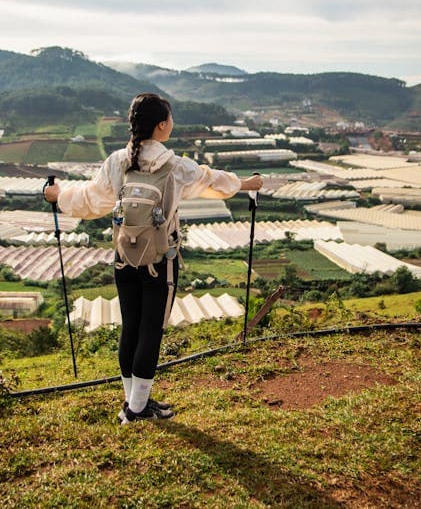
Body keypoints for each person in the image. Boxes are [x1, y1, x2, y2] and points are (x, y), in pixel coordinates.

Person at [44, 93, 263, 424]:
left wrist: (58, 195)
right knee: (151, 331)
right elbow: (213, 181)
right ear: (162, 126)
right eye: (171, 119)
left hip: (123, 256)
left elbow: (89, 200)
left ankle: (132, 403)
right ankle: (136, 410)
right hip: (161, 258)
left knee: (130, 327)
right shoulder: (175, 166)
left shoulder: (117, 161)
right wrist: (249, 183)